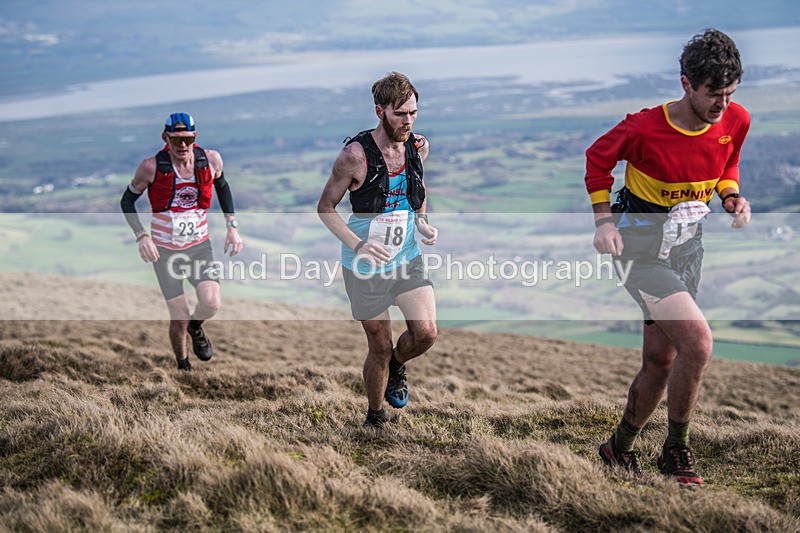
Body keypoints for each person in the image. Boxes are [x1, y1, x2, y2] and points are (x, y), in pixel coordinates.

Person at [585, 29, 751, 486]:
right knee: (698, 344)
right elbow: (597, 161)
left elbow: (727, 163)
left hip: (687, 250)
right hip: (638, 251)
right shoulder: (643, 127)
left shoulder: (736, 119)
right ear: (686, 83)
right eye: (713, 94)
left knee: (661, 359)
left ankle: (617, 449)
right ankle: (676, 450)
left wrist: (731, 195)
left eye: (729, 94)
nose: (721, 105)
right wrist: (603, 222)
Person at [318, 72, 439, 428]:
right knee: (380, 347)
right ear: (380, 111)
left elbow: (417, 187)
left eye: (413, 113)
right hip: (364, 265)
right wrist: (359, 245)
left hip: (406, 257)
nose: (408, 121)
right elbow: (325, 207)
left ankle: (399, 366)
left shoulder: (418, 147)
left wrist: (422, 220)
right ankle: (375, 417)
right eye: (400, 114)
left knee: (426, 333)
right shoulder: (353, 157)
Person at [121, 112, 243, 371]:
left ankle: (196, 326)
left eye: (187, 139)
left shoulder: (210, 160)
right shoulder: (150, 167)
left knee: (211, 303)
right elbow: (127, 200)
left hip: (199, 247)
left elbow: (222, 187)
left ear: (195, 137)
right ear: (166, 138)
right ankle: (183, 367)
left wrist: (232, 226)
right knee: (178, 317)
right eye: (176, 141)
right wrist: (141, 236)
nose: (183, 146)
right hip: (164, 252)